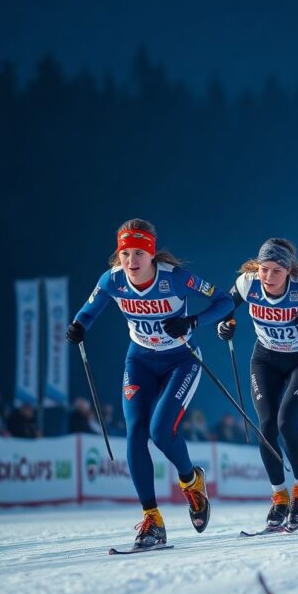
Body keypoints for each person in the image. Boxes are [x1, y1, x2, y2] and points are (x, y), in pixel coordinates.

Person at [66, 218, 233, 548]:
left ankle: (191, 480)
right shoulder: (112, 280)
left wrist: (192, 321)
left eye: (139, 253)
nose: (132, 260)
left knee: (161, 431)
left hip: (181, 361)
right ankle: (152, 520)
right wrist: (78, 327)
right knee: (136, 432)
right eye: (125, 253)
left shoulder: (175, 278)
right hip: (139, 361)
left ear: (152, 253)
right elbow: (87, 312)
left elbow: (224, 301)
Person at [217, 237, 298, 532]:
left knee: (286, 422)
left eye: (277, 271)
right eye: (264, 269)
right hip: (265, 359)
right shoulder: (246, 283)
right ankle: (279, 497)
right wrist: (224, 325)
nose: (269, 277)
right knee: (266, 429)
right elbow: (223, 307)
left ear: (289, 271)